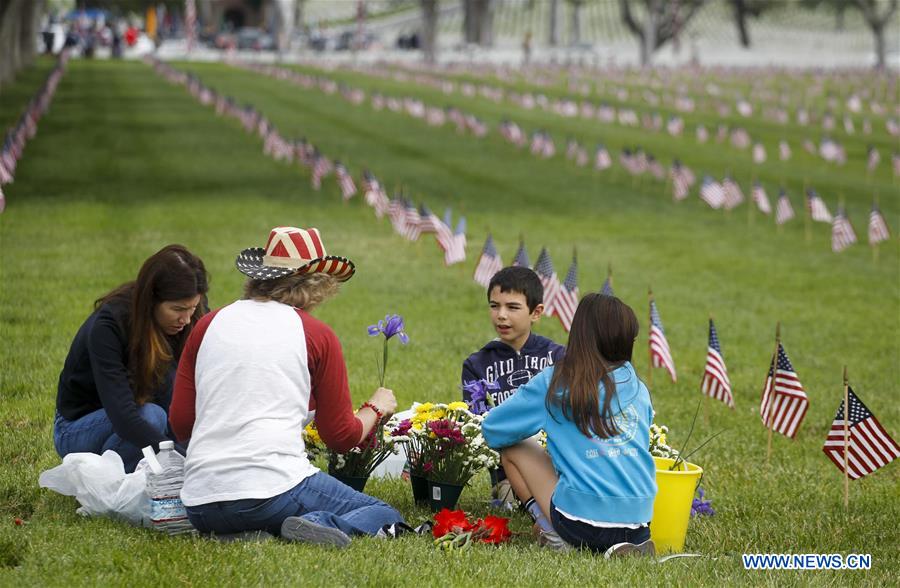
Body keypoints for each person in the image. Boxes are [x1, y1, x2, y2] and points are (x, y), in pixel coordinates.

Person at [170, 226, 406, 546]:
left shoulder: (208, 324)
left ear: (259, 277)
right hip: (269, 492)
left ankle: (244, 534)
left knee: (243, 507)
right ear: (318, 285)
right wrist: (376, 408)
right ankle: (310, 523)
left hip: (199, 502)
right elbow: (340, 436)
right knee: (382, 512)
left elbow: (181, 423)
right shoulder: (316, 335)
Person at [482, 294, 657, 557]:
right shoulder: (638, 387)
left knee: (513, 448)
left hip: (582, 523)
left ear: (579, 335)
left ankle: (554, 536)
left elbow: (494, 430)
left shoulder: (555, 381)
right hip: (641, 524)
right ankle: (624, 543)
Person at [54, 245, 209, 473]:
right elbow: (125, 419)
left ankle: (149, 471)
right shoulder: (109, 326)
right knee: (151, 416)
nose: (185, 319)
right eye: (177, 309)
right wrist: (183, 460)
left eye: (193, 307)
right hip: (79, 428)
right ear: (151, 300)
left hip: (144, 412)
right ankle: (111, 478)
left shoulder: (189, 316)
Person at [461, 266, 564, 505]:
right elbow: (476, 420)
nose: (501, 315)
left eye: (513, 307)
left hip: (560, 467)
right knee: (511, 498)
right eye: (494, 305)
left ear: (536, 313)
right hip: (508, 470)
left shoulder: (558, 357)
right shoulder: (477, 363)